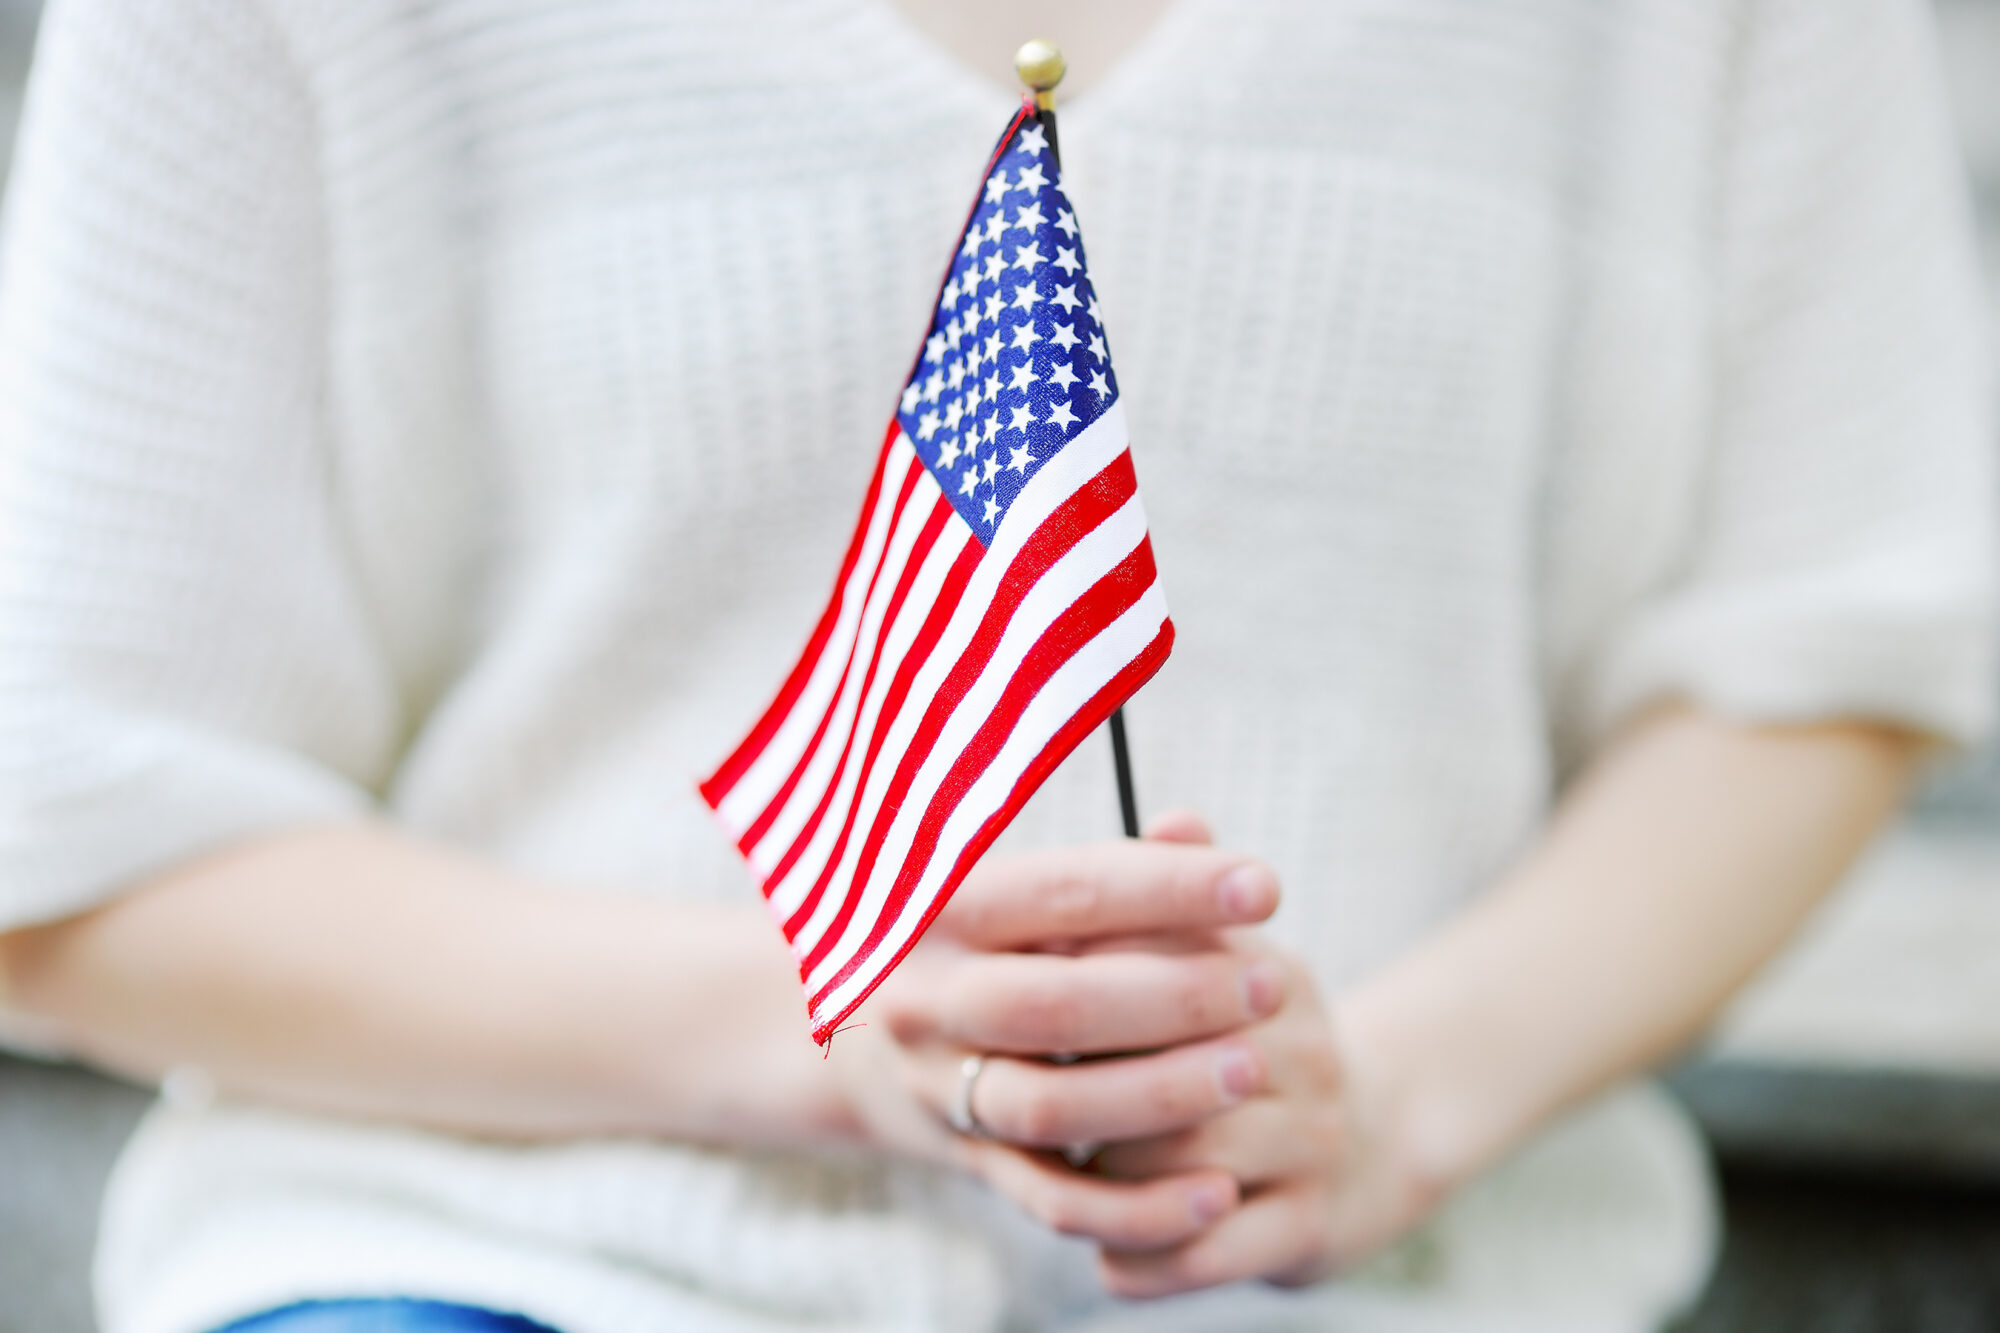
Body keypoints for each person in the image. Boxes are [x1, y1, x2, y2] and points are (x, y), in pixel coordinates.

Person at [0, 0, 1990, 1329]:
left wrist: (1383, 1097)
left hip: (1424, 1284)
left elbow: (1822, 634)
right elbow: (75, 824)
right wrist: (836, 1030)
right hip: (503, 1260)